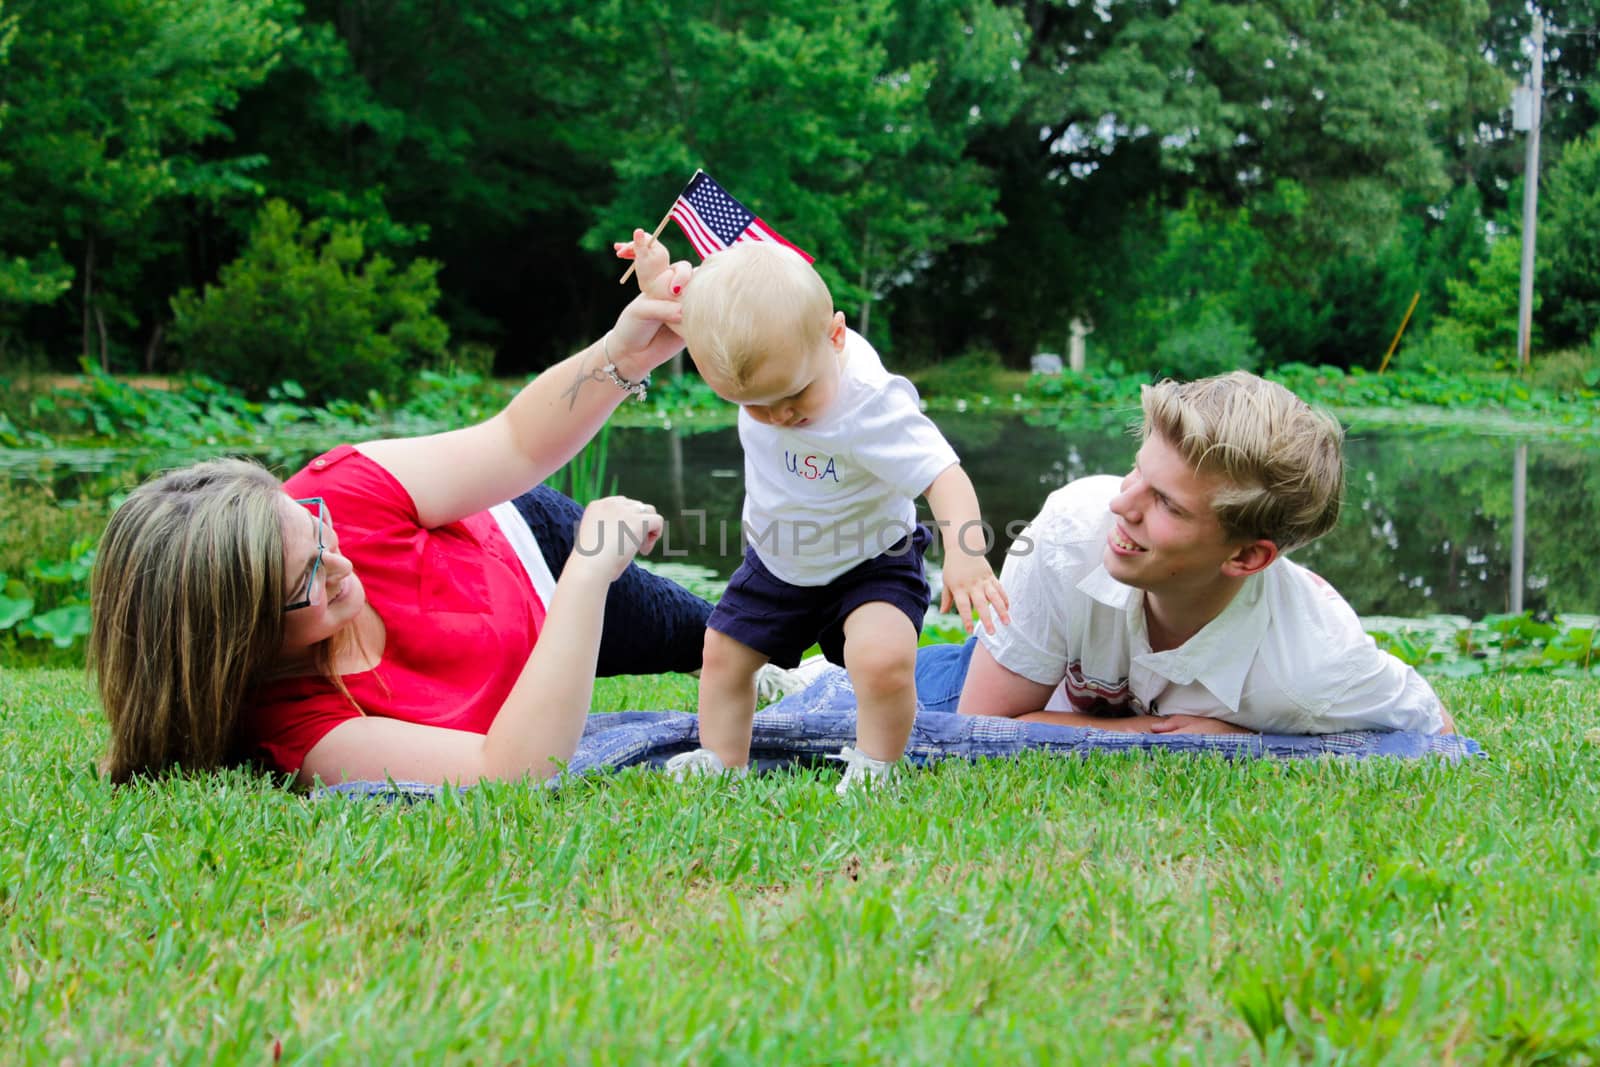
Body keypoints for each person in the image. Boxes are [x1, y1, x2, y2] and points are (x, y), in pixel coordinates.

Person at [89, 261, 715, 787]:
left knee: (728, 641)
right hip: (561, 593)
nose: (339, 562)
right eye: (307, 576)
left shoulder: (336, 491)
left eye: (316, 530)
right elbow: (511, 774)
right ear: (235, 637)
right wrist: (589, 575)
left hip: (525, 547)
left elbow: (516, 443)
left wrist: (622, 354)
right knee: (722, 644)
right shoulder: (301, 730)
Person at [616, 233, 1010, 791]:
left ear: (836, 335)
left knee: (881, 660)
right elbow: (695, 313)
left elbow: (943, 475)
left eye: (796, 395)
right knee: (723, 655)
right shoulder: (747, 342)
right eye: (754, 404)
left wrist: (966, 556)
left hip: (872, 559)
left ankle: (878, 765)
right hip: (778, 559)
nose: (778, 415)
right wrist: (657, 278)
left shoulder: (870, 402)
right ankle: (722, 758)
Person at [918, 370, 1455, 736]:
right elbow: (982, 730)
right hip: (1005, 670)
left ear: (1247, 558)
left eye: (1167, 506)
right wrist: (1145, 738)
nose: (1121, 504)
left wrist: (1254, 742)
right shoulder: (1073, 528)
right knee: (860, 680)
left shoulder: (1316, 665)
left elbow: (1439, 734)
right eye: (1136, 471)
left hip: (1048, 700)